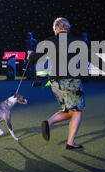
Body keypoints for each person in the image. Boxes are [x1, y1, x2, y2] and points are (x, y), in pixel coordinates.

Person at [27, 17, 85, 150]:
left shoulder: (49, 41)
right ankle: (70, 143)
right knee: (76, 111)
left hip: (54, 82)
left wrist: (30, 55)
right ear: (68, 28)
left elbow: (35, 59)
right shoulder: (77, 41)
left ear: (56, 29)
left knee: (69, 110)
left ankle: (49, 122)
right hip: (71, 80)